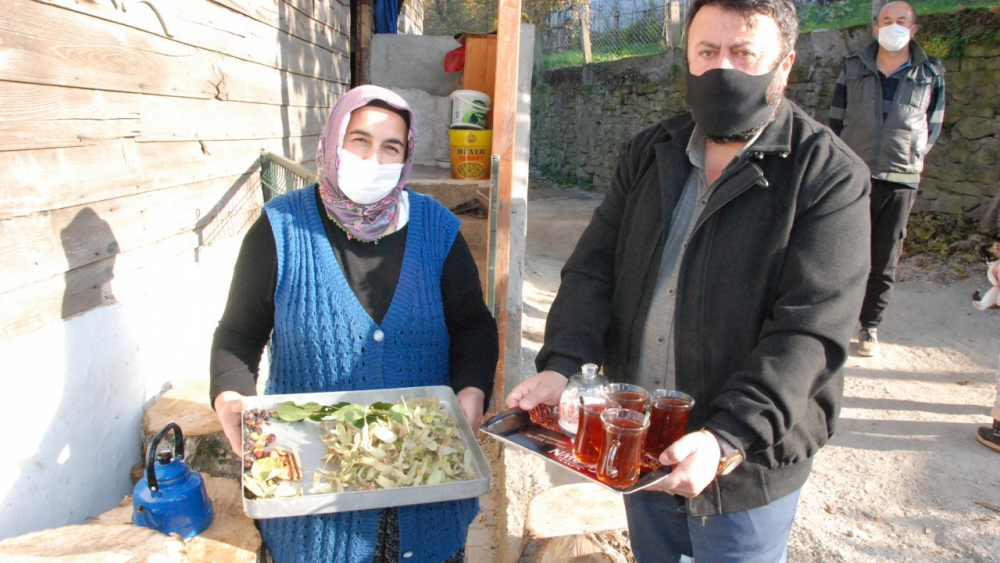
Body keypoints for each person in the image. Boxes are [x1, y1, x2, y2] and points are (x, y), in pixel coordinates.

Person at [505, 0, 871, 560]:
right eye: (707, 52)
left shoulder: (829, 175)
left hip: (746, 462)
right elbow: (593, 270)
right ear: (688, 60)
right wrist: (562, 368)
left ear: (785, 64)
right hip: (642, 441)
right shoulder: (651, 152)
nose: (722, 69)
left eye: (744, 53)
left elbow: (811, 331)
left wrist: (727, 437)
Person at [210, 85, 499, 563]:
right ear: (332, 143)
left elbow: (472, 325)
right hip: (313, 511)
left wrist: (471, 390)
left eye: (392, 147)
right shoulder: (280, 228)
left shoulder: (438, 229)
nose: (373, 158)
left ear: (407, 157)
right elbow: (238, 334)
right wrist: (230, 395)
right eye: (359, 141)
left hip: (428, 496)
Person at [828, 1, 946, 357]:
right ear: (875, 28)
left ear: (914, 29)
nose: (893, 26)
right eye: (886, 20)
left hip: (900, 176)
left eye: (902, 21)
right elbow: (836, 119)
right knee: (842, 252)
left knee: (884, 257)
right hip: (855, 175)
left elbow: (934, 126)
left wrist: (911, 156)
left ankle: (870, 328)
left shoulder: (931, 72)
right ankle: (834, 321)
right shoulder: (853, 67)